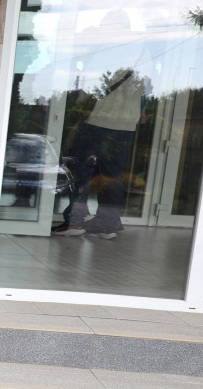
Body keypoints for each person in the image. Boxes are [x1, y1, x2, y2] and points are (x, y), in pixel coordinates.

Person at [55, 12, 147, 239]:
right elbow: (148, 88)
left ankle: (75, 221)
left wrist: (78, 104)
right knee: (113, 174)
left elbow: (92, 84)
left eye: (106, 25)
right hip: (125, 125)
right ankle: (107, 224)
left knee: (82, 170)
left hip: (99, 120)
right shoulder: (143, 52)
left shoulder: (108, 49)